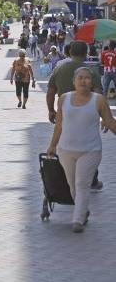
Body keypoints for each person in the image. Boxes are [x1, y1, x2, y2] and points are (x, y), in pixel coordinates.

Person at [47, 67, 116, 232]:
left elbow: (109, 121)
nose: (84, 81)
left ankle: (77, 220)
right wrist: (52, 145)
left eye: (87, 78)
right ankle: (83, 210)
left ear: (91, 82)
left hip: (90, 150)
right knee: (72, 185)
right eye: (80, 78)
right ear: (74, 81)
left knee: (82, 184)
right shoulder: (64, 99)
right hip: (66, 150)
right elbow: (59, 125)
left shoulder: (98, 100)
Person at [47, 41, 103, 190]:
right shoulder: (90, 71)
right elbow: (98, 94)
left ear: (70, 52)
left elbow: (51, 91)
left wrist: (51, 110)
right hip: (87, 116)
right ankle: (91, 180)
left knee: (66, 145)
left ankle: (68, 178)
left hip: (65, 115)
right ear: (86, 53)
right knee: (89, 147)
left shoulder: (60, 69)